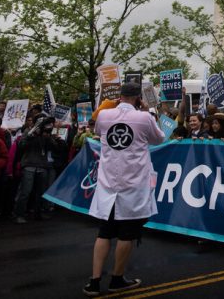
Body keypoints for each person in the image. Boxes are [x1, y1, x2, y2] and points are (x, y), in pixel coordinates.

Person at [83, 82, 165, 296]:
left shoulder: (104, 116)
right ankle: (117, 279)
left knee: (104, 233)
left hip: (108, 183)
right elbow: (159, 138)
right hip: (133, 184)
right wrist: (147, 113)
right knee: (126, 235)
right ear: (138, 97)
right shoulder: (144, 117)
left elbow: (98, 128)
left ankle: (94, 281)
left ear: (120, 96)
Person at [13, 114, 66, 223]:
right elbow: (21, 146)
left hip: (42, 166)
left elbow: (57, 149)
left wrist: (56, 139)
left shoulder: (46, 134)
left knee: (40, 192)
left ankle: (38, 213)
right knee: (25, 191)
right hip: (29, 165)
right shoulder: (29, 131)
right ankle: (18, 214)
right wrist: (32, 136)